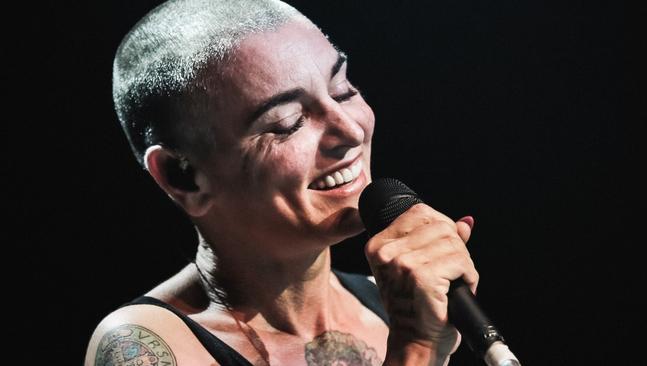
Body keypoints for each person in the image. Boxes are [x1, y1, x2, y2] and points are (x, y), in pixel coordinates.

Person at [84, 0, 479, 365]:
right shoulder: (143, 345)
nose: (349, 131)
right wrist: (417, 352)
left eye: (343, 90)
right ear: (182, 176)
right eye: (287, 123)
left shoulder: (398, 304)